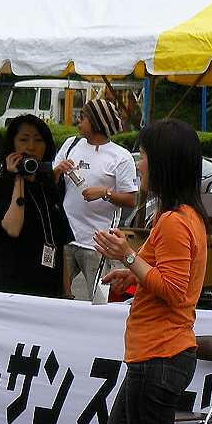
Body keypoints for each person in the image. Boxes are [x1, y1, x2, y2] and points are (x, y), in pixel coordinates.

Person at [92, 118, 207, 424]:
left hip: (161, 354)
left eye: (143, 157)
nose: (138, 165)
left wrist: (128, 258)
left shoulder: (176, 221)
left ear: (164, 163)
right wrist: (134, 273)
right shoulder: (176, 217)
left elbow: (176, 291)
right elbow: (163, 278)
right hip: (155, 353)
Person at [52, 99, 138, 300]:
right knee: (55, 294)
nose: (78, 121)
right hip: (65, 236)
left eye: (83, 118)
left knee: (99, 299)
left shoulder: (121, 156)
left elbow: (130, 199)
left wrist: (104, 193)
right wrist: (57, 170)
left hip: (97, 243)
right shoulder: (71, 144)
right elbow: (50, 182)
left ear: (97, 122)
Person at [0, 113, 73, 297]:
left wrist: (67, 292)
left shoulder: (48, 185)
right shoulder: (2, 185)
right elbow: (13, 229)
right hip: (14, 290)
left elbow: (60, 244)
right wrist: (18, 178)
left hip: (50, 290)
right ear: (12, 145)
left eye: (38, 140)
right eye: (24, 140)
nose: (31, 147)